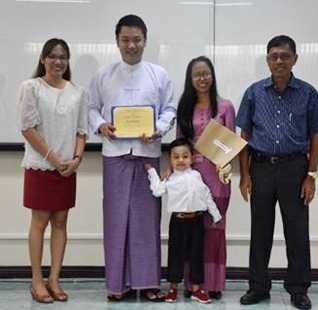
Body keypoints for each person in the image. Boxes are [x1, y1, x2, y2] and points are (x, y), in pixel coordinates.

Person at [236, 35, 318, 310]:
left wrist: (311, 176)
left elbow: (315, 137)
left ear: (295, 59)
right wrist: (245, 175)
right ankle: (258, 287)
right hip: (261, 168)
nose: (279, 61)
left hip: (295, 169)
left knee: (297, 231)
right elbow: (243, 136)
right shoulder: (253, 92)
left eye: (285, 56)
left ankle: (298, 288)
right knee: (260, 230)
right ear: (267, 60)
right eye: (274, 56)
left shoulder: (308, 92)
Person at [88, 14, 176, 302]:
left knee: (146, 221)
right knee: (115, 220)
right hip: (114, 155)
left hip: (147, 156)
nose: (131, 45)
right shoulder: (103, 75)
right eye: (125, 40)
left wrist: (159, 129)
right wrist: (101, 125)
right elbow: (91, 108)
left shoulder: (159, 75)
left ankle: (148, 283)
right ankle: (118, 285)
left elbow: (169, 111)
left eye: (137, 39)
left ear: (145, 41)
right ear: (117, 41)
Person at [16, 38, 88, 303]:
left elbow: (82, 130)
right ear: (43, 59)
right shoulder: (31, 87)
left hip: (67, 169)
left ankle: (54, 279)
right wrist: (53, 158)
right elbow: (27, 127)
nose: (58, 61)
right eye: (53, 56)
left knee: (61, 222)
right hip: (42, 166)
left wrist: (77, 158)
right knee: (40, 222)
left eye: (63, 57)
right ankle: (37, 281)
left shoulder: (78, 91)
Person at [176, 56, 235, 299]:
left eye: (206, 73)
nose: (202, 79)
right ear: (190, 80)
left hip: (218, 176)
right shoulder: (185, 107)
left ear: (212, 76)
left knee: (215, 229)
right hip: (191, 178)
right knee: (193, 231)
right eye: (197, 75)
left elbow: (231, 144)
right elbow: (180, 145)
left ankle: (214, 283)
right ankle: (193, 284)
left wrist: (226, 167)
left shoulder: (225, 106)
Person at [145, 138, 222, 304]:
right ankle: (173, 288)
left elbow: (206, 196)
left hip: (196, 221)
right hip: (177, 222)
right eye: (176, 157)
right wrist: (152, 172)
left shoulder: (197, 176)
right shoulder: (169, 178)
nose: (181, 160)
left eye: (185, 156)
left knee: (196, 254)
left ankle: (196, 289)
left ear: (192, 158)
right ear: (170, 159)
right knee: (176, 255)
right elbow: (157, 191)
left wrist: (215, 215)